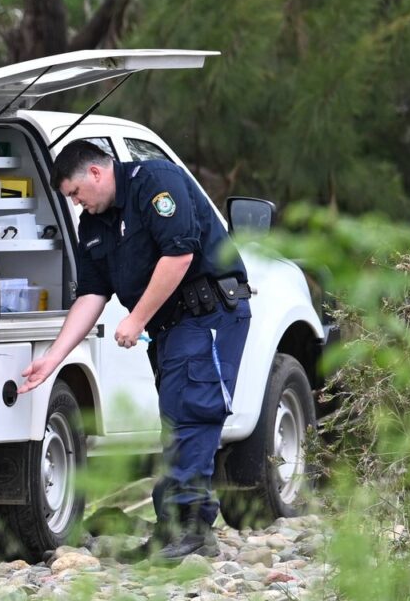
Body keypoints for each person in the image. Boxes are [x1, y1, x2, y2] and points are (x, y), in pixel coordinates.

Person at [18, 141, 251, 562]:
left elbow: (179, 255)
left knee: (193, 414)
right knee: (176, 420)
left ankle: (192, 529)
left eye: (75, 193)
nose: (77, 204)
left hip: (208, 312)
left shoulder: (154, 183)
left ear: (95, 173)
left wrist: (137, 318)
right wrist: (52, 359)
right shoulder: (94, 225)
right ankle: (174, 530)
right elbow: (91, 294)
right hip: (173, 326)